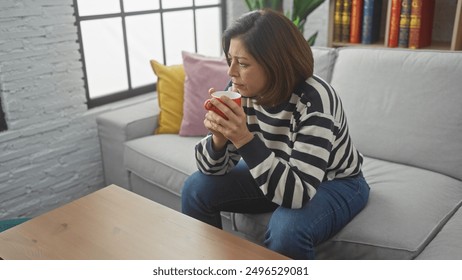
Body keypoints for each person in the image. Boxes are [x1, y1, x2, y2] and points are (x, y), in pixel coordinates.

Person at [181, 9, 370, 260]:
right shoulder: (240, 90)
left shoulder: (315, 100)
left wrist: (243, 139)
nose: (231, 72)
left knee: (287, 230)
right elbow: (210, 169)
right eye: (230, 60)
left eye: (243, 63)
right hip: (276, 171)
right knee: (195, 188)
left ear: (275, 64)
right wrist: (218, 138)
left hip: (335, 181)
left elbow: (298, 193)